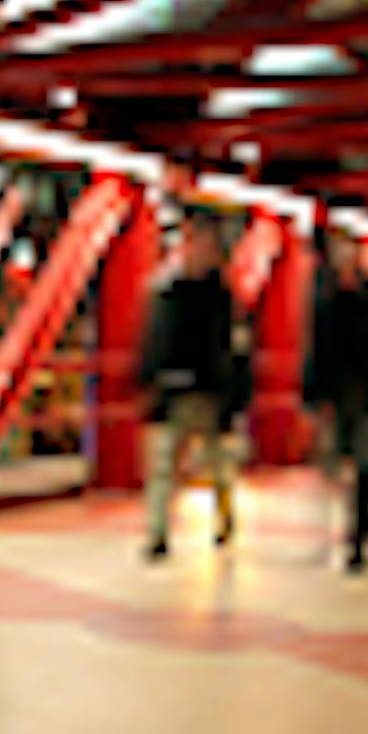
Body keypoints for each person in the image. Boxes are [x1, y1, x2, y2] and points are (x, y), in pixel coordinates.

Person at [304, 228, 368, 573]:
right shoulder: (326, 302)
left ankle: (358, 538)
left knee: (364, 469)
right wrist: (313, 394)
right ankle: (331, 532)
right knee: (332, 468)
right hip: (337, 397)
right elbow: (315, 351)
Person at [139, 226, 238, 559]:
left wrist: (230, 400)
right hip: (173, 391)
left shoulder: (214, 297)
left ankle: (224, 519)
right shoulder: (170, 293)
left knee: (217, 466)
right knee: (163, 465)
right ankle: (158, 533)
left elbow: (229, 352)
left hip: (207, 392)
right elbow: (153, 343)